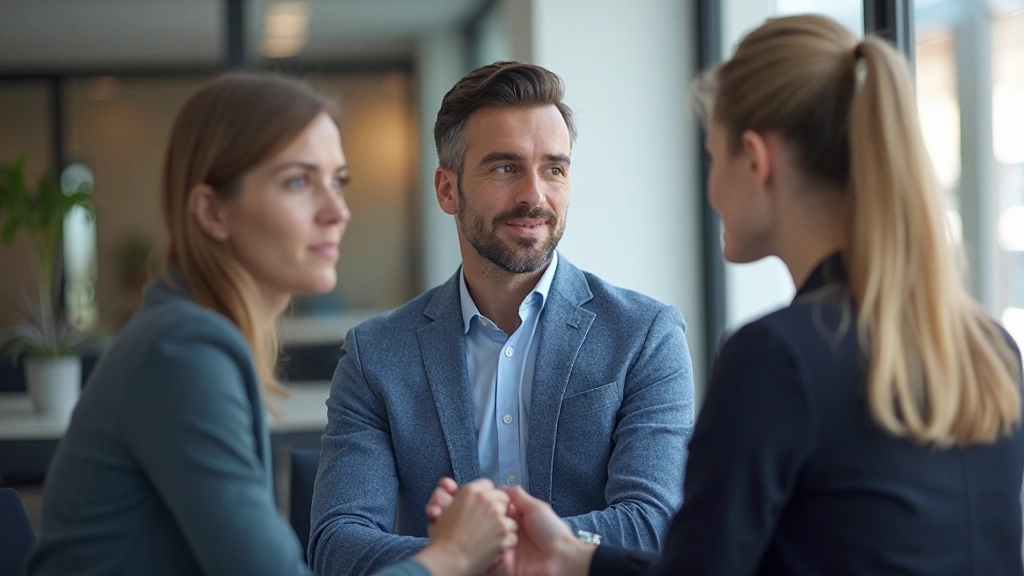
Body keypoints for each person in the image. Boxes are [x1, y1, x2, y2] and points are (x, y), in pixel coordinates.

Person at [497, 14, 1024, 576]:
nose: (712, 188)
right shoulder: (988, 348)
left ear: (757, 158)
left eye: (714, 155)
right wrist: (573, 555)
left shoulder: (776, 358)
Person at [26, 73, 517, 576]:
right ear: (212, 211)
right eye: (299, 181)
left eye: (338, 181)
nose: (337, 211)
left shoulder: (187, 331)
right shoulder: (183, 350)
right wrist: (453, 555)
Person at [308, 61, 695, 576]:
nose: (534, 195)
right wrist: (461, 555)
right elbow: (337, 544)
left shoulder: (646, 336)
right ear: (448, 190)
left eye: (554, 168)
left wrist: (500, 549)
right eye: (505, 167)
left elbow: (657, 523)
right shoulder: (375, 355)